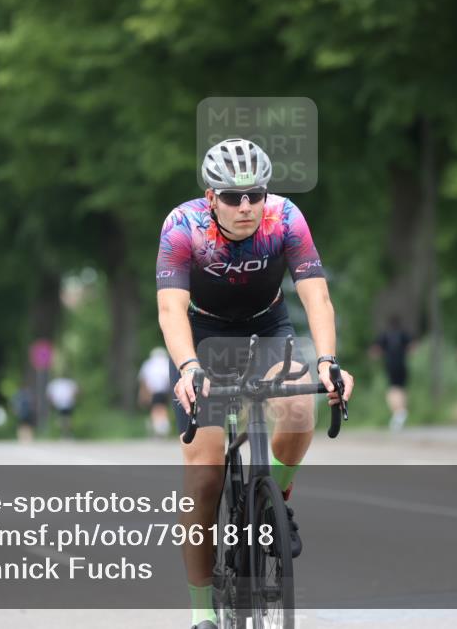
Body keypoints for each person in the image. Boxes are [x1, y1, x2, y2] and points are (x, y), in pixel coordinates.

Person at [157, 137, 355, 629]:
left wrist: (329, 360)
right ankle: (202, 614)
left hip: (266, 328)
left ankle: (275, 503)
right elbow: (170, 309)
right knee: (204, 477)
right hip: (201, 339)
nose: (245, 206)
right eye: (231, 197)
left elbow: (316, 299)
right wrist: (187, 369)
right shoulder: (183, 226)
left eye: (255, 194)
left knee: (298, 404)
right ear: (211, 196)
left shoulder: (286, 218)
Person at [369, 315, 415, 431]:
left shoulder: (385, 335)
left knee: (392, 390)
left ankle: (398, 412)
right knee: (402, 388)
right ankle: (402, 410)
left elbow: (375, 351)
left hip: (390, 366)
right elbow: (413, 347)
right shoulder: (403, 334)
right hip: (402, 365)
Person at [138, 347, 172, 437]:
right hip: (164, 391)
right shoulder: (166, 363)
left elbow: (143, 380)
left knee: (155, 409)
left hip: (152, 391)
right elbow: (169, 379)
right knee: (162, 408)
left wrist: (143, 394)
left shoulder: (148, 364)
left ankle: (158, 428)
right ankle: (162, 428)